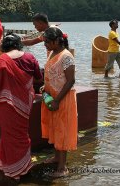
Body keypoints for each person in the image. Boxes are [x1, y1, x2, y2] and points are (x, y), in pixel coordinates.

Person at [0, 33, 42, 180]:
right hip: (25, 103)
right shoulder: (29, 58)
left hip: (8, 103)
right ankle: (24, 166)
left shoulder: (0, 60)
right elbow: (38, 77)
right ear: (19, 44)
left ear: (4, 46)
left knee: (8, 135)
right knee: (22, 134)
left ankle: (13, 170)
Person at [40, 27, 77, 178]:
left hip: (63, 99)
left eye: (47, 42)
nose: (45, 45)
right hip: (52, 98)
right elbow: (52, 74)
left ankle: (62, 168)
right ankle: (56, 158)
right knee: (55, 129)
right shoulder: (52, 53)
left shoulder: (66, 56)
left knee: (63, 131)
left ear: (57, 41)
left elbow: (70, 81)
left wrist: (57, 100)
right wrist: (45, 86)